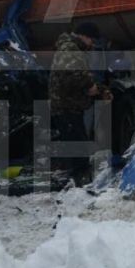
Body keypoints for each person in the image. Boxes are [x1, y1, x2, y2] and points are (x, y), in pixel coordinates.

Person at [48, 22, 110, 183]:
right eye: (92, 40)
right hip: (66, 106)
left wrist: (96, 88)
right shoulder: (70, 49)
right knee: (77, 145)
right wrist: (90, 87)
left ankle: (77, 177)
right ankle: (79, 180)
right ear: (84, 36)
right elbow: (73, 74)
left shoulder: (70, 48)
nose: (92, 44)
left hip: (67, 105)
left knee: (75, 143)